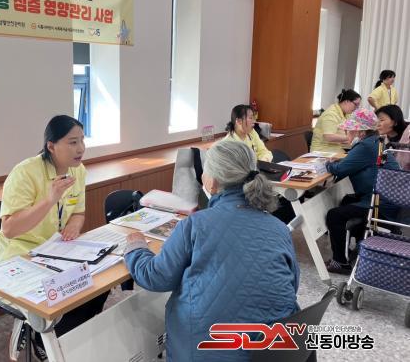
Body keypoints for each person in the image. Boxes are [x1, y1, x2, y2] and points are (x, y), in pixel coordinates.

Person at [124, 140, 300, 362]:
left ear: (213, 182)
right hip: (274, 350)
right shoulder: (279, 228)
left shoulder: (196, 224)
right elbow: (292, 284)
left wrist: (136, 247)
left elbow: (155, 277)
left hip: (206, 349)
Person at [0, 115, 108, 361]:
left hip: (57, 252)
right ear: (51, 146)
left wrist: (74, 226)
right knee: (60, 296)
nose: (81, 149)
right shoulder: (25, 173)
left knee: (97, 285)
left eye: (82, 141)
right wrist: (49, 200)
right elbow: (10, 229)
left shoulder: (78, 171)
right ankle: (44, 340)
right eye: (72, 142)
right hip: (21, 256)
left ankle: (67, 340)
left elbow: (78, 212)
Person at [324, 108, 400, 274]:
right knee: (346, 201)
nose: (347, 132)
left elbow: (340, 169)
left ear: (360, 131)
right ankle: (350, 249)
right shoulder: (376, 141)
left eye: (350, 129)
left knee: (334, 215)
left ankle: (340, 262)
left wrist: (327, 164)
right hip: (389, 200)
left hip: (379, 204)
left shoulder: (365, 146)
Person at [376, 105, 410, 170]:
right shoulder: (382, 139)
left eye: (381, 120)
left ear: (395, 121)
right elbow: (380, 163)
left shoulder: (408, 134)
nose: (377, 124)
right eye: (376, 120)